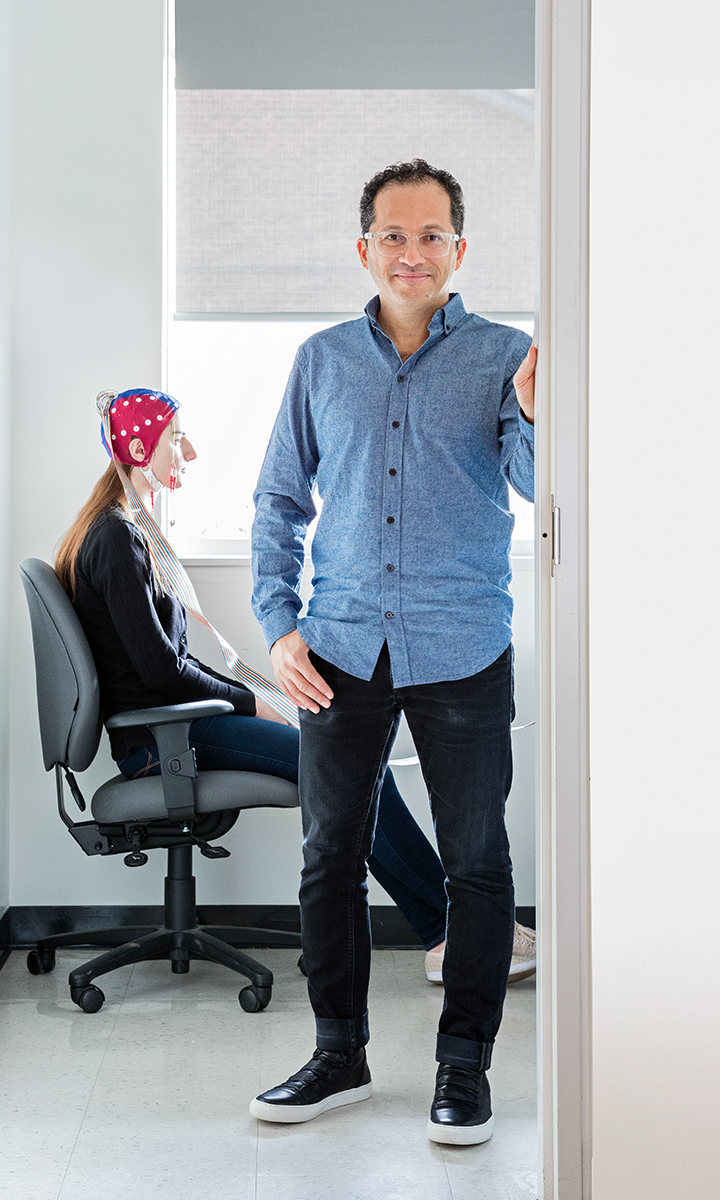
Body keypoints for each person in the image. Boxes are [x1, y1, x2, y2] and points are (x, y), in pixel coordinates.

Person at [249, 159, 537, 1144]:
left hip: (462, 646)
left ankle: (464, 1071)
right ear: (362, 246)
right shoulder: (321, 360)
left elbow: (541, 491)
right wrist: (277, 624)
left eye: (430, 237)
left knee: (475, 865)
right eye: (391, 235)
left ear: (459, 249)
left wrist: (540, 413)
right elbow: (279, 502)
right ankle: (338, 1056)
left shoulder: (506, 353)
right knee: (328, 856)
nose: (410, 254)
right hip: (336, 647)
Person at [54, 386, 482, 974]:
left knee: (353, 764)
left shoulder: (129, 530)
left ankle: (442, 929)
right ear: (137, 447)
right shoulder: (115, 539)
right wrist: (250, 703)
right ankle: (448, 933)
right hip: (160, 744)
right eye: (176, 439)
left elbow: (166, 662)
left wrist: (254, 697)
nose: (191, 452)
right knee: (349, 769)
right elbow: (160, 672)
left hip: (175, 726)